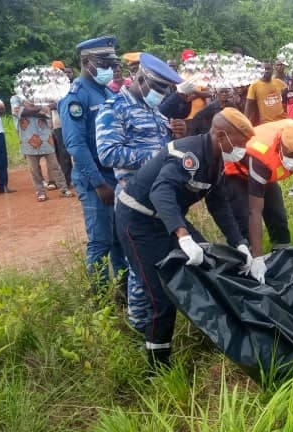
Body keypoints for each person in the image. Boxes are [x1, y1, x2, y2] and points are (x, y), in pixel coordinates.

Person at [115, 108, 255, 369]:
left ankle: (218, 333)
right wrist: (183, 236)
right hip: (138, 221)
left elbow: (220, 204)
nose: (243, 150)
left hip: (166, 218)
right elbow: (161, 193)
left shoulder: (216, 162)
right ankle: (158, 366)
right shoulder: (188, 155)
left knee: (208, 265)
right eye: (240, 143)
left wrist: (240, 244)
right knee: (161, 295)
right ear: (222, 136)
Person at [95, 52, 186, 331]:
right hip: (133, 200)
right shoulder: (114, 108)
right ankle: (139, 325)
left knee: (162, 260)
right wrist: (159, 156)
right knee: (140, 267)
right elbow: (108, 154)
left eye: (166, 89)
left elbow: (166, 146)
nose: (161, 94)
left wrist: (178, 136)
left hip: (161, 198)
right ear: (140, 78)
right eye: (158, 88)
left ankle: (157, 315)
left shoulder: (155, 109)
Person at [60, 35, 126, 288]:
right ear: (87, 62)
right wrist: (99, 183)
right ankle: (100, 299)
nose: (110, 68)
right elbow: (75, 145)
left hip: (116, 176)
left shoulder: (107, 91)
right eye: (104, 62)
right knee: (101, 240)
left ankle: (124, 291)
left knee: (120, 237)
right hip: (94, 179)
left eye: (112, 62)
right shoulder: (76, 97)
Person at [224, 119, 293, 263]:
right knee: (244, 216)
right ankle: (246, 259)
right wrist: (258, 257)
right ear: (281, 147)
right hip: (235, 173)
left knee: (276, 211)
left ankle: (282, 254)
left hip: (263, 170)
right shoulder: (262, 157)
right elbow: (255, 211)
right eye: (291, 156)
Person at [12, 95, 73, 202]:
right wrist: (40, 108)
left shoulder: (40, 94)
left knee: (55, 165)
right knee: (34, 169)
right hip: (28, 140)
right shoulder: (15, 98)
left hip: (45, 138)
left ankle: (63, 189)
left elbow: (53, 107)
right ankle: (40, 192)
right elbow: (19, 112)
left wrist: (30, 109)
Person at [49, 62, 74, 187]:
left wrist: (59, 104)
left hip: (72, 121)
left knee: (74, 149)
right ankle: (68, 180)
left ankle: (76, 177)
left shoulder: (71, 85)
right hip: (58, 123)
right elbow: (49, 106)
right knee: (63, 153)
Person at [245, 61, 288, 126]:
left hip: (282, 121)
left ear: (273, 70)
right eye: (264, 69)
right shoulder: (254, 86)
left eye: (268, 69)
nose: (266, 71)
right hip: (266, 123)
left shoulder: (279, 83)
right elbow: (249, 107)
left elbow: (289, 96)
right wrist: (246, 123)